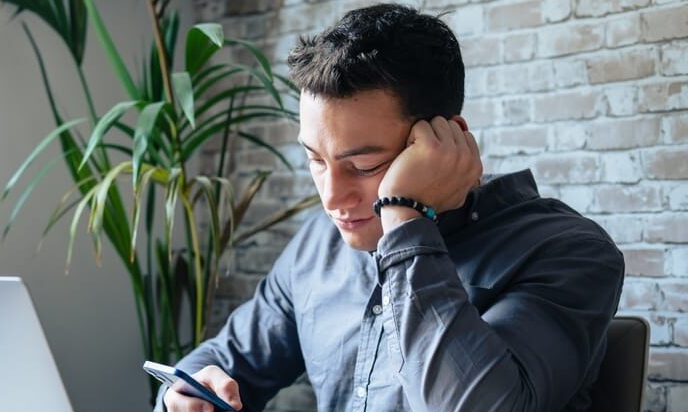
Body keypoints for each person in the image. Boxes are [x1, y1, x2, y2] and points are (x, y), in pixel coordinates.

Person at [157, 3, 624, 412]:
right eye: (315, 160)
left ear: (443, 139)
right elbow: (222, 359)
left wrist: (404, 217)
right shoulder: (319, 245)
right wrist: (188, 390)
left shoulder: (569, 253)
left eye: (363, 165)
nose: (332, 198)